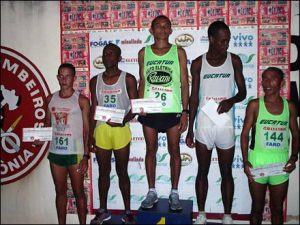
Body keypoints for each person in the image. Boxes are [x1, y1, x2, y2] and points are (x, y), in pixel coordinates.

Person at [185, 20, 247, 224]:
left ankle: (227, 215)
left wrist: (231, 100)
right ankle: (201, 214)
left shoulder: (234, 60)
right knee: (202, 171)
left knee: (226, 171)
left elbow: (243, 92)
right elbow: (194, 98)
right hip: (203, 123)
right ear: (211, 39)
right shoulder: (198, 63)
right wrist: (190, 130)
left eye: (227, 41)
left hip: (225, 124)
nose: (226, 44)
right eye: (222, 41)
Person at [137, 15, 189, 211]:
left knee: (174, 151)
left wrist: (185, 111)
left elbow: (185, 84)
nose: (161, 28)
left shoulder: (179, 52)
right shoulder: (143, 53)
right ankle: (152, 191)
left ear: (170, 30)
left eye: (165, 26)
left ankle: (174, 193)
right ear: (151, 30)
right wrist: (139, 106)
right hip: (149, 110)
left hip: (172, 110)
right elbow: (143, 81)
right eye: (158, 25)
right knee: (150, 150)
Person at [240, 67, 299, 224]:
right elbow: (245, 134)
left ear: (281, 83)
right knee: (257, 208)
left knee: (277, 208)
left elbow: (296, 134)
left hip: (281, 164)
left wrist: (294, 157)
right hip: (257, 162)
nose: (267, 82)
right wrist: (245, 161)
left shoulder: (290, 106)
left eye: (272, 78)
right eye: (264, 78)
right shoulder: (254, 105)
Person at [89, 43, 138, 224]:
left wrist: (123, 120)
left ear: (119, 57)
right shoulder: (95, 80)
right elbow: (93, 109)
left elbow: (136, 107)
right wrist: (90, 136)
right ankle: (102, 211)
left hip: (120, 130)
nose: (107, 56)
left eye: (111, 53)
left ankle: (127, 211)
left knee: (122, 171)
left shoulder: (128, 79)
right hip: (101, 129)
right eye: (105, 53)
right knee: (103, 172)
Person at [45, 63, 90, 224]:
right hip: (56, 153)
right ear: (57, 77)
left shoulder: (81, 100)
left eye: (68, 76)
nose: (64, 79)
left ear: (74, 78)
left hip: (75, 153)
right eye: (61, 76)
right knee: (60, 192)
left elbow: (87, 131)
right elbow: (47, 126)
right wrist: (39, 139)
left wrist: (86, 155)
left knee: (78, 192)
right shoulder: (51, 98)